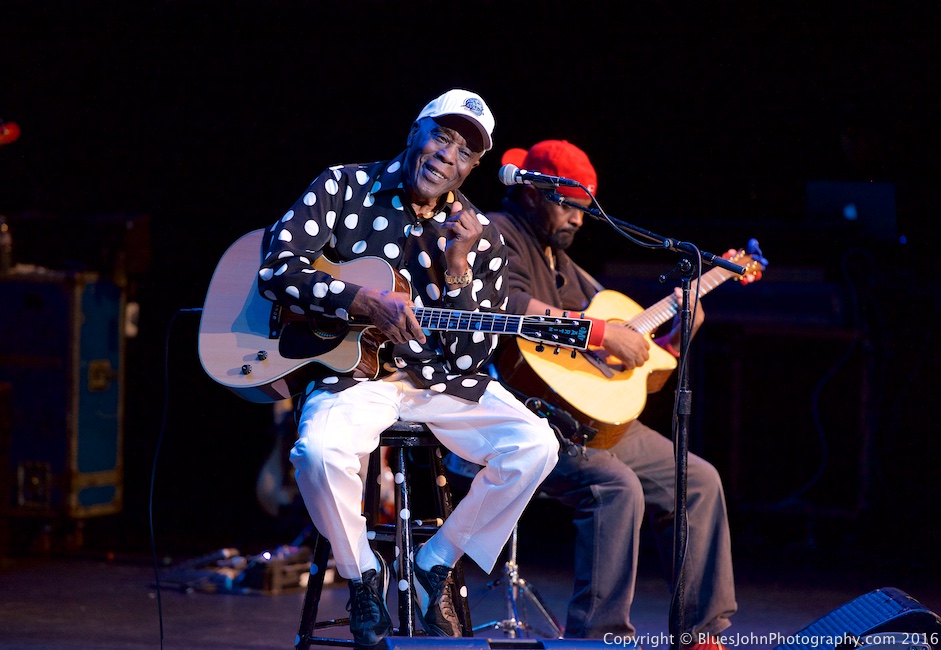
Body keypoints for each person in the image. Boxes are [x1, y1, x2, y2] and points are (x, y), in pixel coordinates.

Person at [256, 90, 559, 647]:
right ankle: (363, 574)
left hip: (440, 382)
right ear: (416, 132)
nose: (448, 155)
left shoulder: (479, 236)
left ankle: (436, 560)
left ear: (471, 168)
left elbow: (471, 359)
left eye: (464, 152)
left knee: (536, 446)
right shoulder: (343, 187)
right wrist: (361, 302)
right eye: (441, 137)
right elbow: (276, 270)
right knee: (317, 454)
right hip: (356, 375)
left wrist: (457, 267)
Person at [485, 140, 759, 645]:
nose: (577, 220)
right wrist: (601, 334)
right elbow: (510, 309)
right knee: (617, 487)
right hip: (518, 415)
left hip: (582, 418)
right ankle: (597, 637)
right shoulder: (496, 234)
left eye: (584, 209)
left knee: (696, 479)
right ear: (529, 193)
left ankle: (700, 633)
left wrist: (675, 332)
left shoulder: (562, 261)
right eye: (566, 204)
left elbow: (621, 341)